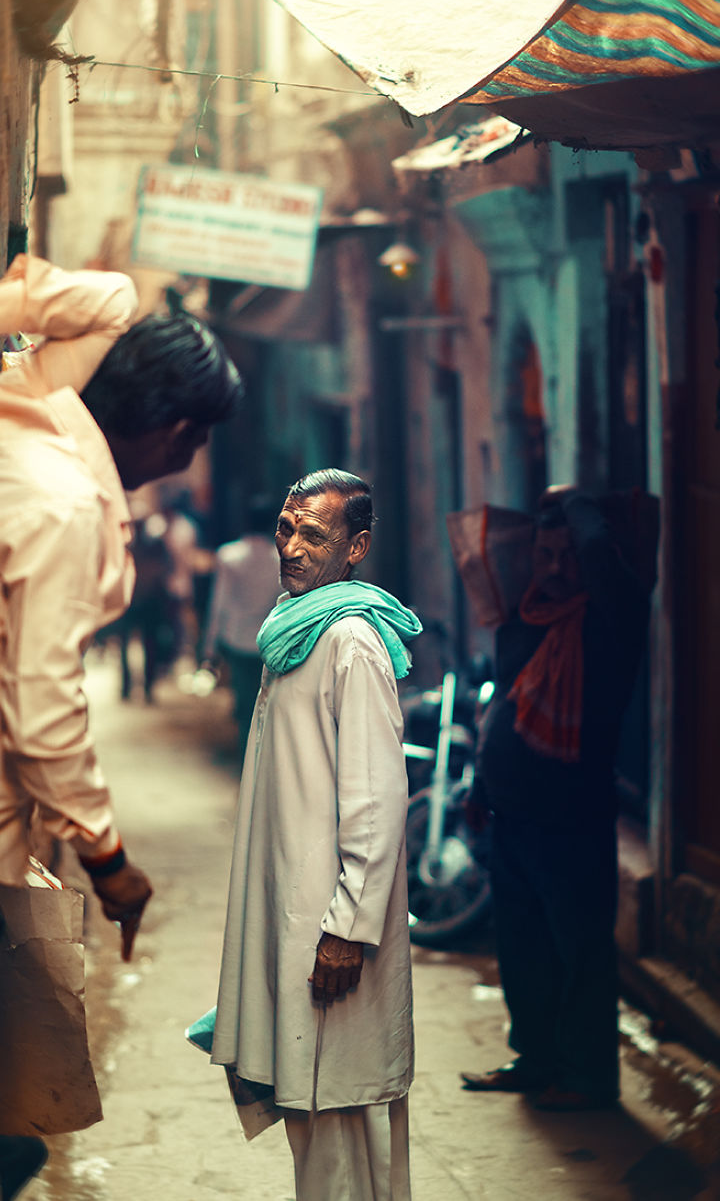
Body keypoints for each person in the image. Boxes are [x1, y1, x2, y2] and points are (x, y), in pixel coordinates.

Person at [0, 254, 242, 1196]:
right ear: (181, 433)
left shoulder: (32, 398)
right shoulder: (63, 501)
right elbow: (44, 707)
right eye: (191, 446)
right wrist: (110, 859)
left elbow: (102, 294)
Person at [210, 469, 422, 1201]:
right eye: (286, 528)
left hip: (331, 933)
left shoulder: (350, 641)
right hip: (297, 912)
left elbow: (376, 802)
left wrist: (348, 929)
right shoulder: (294, 627)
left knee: (339, 1118)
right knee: (316, 1116)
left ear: (356, 547)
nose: (292, 547)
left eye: (315, 535)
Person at [460, 485, 650, 1111]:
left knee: (582, 952)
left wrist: (575, 504)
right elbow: (505, 705)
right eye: (545, 553)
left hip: (571, 819)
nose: (557, 567)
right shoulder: (525, 619)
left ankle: (589, 1076)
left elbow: (599, 554)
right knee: (523, 951)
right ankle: (536, 1058)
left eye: (568, 555)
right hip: (513, 815)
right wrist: (482, 784)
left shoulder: (610, 619)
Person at [201, 494, 281, 755]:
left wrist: (210, 647)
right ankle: (261, 757)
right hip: (270, 641)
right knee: (267, 703)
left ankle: (246, 755)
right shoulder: (281, 559)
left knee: (244, 700)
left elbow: (219, 602)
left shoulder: (229, 556)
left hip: (236, 639)